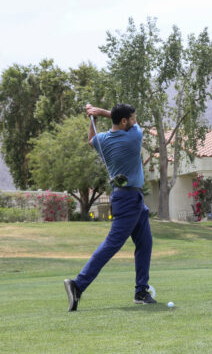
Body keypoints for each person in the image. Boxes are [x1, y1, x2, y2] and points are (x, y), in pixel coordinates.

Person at [64, 103, 156, 311]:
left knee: (145, 243)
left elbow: (91, 139)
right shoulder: (133, 136)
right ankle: (78, 285)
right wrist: (100, 112)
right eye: (131, 118)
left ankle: (141, 291)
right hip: (129, 199)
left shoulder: (103, 140)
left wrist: (93, 119)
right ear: (124, 121)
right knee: (112, 244)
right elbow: (123, 121)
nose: (134, 121)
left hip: (129, 198)